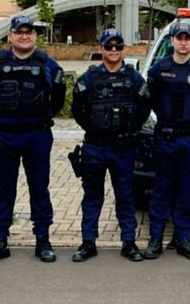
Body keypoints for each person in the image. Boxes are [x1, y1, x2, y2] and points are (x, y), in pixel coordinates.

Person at [0, 15, 66, 264]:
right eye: (19, 32)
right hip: (4, 136)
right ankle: (0, 241)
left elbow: (58, 96)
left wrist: (44, 116)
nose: (24, 36)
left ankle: (43, 240)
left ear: (35, 36)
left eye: (29, 32)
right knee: (3, 190)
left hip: (36, 135)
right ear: (10, 36)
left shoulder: (47, 64)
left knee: (39, 189)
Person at [71, 29, 150, 263]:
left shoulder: (133, 78)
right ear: (101, 49)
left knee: (125, 196)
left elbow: (144, 106)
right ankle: (88, 243)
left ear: (124, 49)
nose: (113, 50)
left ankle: (129, 242)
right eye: (109, 46)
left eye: (118, 46)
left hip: (124, 147)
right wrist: (96, 128)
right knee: (92, 195)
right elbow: (78, 109)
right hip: (95, 146)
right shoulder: (90, 78)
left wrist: (130, 128)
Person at [143, 22, 190, 261]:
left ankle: (183, 238)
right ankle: (156, 239)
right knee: (162, 189)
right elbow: (150, 101)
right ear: (173, 41)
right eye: (179, 38)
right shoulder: (158, 69)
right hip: (166, 137)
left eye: (188, 38)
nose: (183, 42)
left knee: (188, 190)